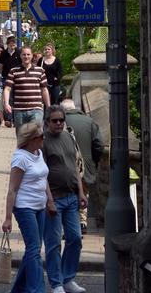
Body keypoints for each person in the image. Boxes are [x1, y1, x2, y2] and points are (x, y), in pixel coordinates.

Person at [2, 122, 56, 293]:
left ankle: (18, 289)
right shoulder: (20, 158)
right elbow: (12, 189)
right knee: (33, 250)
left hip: (40, 206)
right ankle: (37, 289)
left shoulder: (38, 153)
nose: (44, 138)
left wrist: (50, 201)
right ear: (31, 139)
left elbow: (43, 178)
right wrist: (8, 217)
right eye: (41, 136)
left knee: (33, 249)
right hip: (25, 208)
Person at [43, 105, 88, 293]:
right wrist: (49, 200)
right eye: (55, 120)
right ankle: (56, 283)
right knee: (53, 244)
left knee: (75, 239)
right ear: (47, 122)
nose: (59, 123)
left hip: (71, 198)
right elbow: (41, 174)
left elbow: (75, 168)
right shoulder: (43, 141)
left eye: (61, 120)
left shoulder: (69, 137)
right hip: (55, 199)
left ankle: (68, 279)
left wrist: (81, 191)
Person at [61, 98, 104, 235]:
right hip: (85, 165)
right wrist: (93, 160)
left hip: (64, 166)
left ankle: (69, 224)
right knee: (83, 193)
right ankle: (82, 222)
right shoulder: (90, 122)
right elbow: (99, 145)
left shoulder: (58, 122)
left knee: (66, 195)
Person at [3, 46, 50, 131]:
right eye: (24, 54)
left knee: (36, 136)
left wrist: (48, 107)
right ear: (20, 56)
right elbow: (7, 89)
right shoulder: (13, 71)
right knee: (22, 139)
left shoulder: (40, 71)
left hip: (36, 109)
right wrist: (6, 103)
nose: (26, 56)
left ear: (32, 56)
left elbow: (44, 90)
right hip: (19, 110)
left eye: (28, 54)